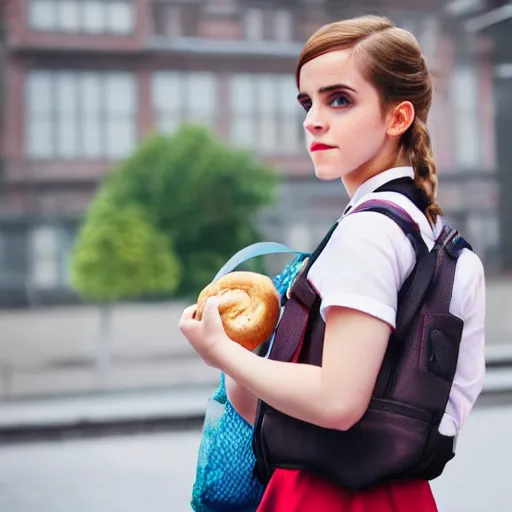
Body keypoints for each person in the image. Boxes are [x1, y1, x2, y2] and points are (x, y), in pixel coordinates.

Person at [179, 15, 486, 511]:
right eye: (308, 101)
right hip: (398, 494)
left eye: (339, 99)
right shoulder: (435, 236)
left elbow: (338, 402)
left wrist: (221, 351)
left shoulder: (367, 233)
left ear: (397, 117)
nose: (313, 120)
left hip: (328, 496)